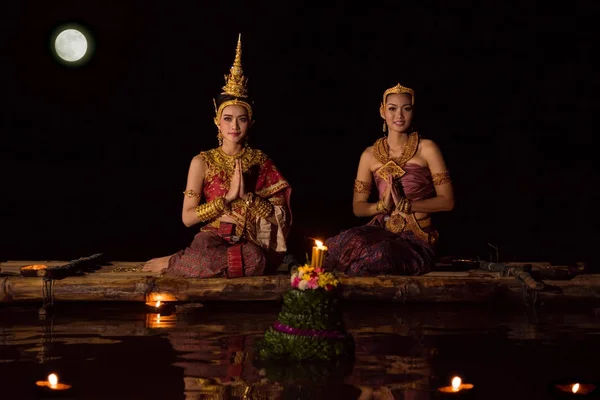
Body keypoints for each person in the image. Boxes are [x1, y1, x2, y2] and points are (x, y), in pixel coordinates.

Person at [142, 35, 292, 278]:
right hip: (212, 239)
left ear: (250, 123)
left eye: (241, 119)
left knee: (255, 259)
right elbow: (188, 218)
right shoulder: (202, 161)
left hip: (249, 241)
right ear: (217, 122)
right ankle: (183, 260)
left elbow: (279, 219)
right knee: (206, 251)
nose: (234, 126)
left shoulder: (260, 160)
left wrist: (248, 198)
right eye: (228, 119)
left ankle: (180, 262)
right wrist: (227, 199)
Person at [323, 83, 454, 276]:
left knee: (381, 253)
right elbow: (358, 207)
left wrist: (407, 204)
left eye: (406, 108)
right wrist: (382, 206)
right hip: (382, 230)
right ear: (382, 112)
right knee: (344, 241)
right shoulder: (369, 155)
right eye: (392, 109)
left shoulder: (427, 149)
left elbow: (447, 202)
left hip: (416, 240)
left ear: (413, 112)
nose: (399, 115)